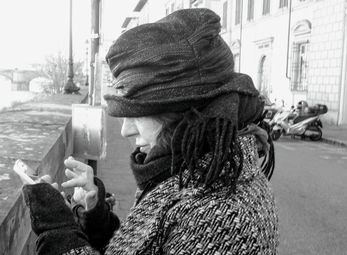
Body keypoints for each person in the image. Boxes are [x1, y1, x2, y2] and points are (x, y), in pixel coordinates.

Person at [22, 8, 278, 255]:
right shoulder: (194, 172)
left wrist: (57, 230)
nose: (125, 130)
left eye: (138, 116)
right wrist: (96, 217)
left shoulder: (219, 215)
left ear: (185, 117)